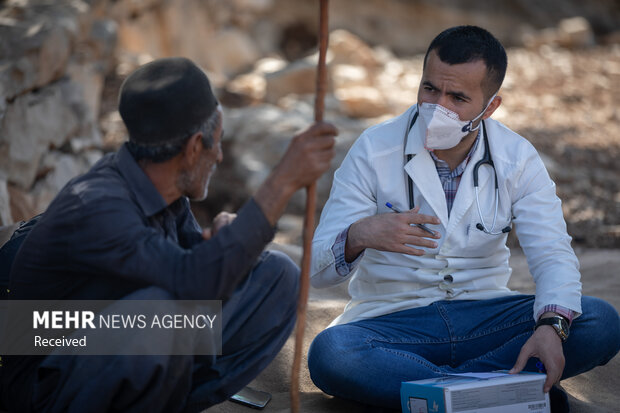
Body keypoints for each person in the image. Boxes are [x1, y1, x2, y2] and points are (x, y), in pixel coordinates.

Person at [308, 25, 619, 411]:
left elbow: (552, 253)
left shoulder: (517, 158)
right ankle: (495, 392)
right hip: (395, 322)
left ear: (490, 108)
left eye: (457, 97)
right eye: (429, 90)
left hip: (487, 318)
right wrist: (359, 234)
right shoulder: (373, 149)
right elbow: (317, 272)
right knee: (332, 354)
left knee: (601, 322)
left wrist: (550, 327)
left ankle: (446, 393)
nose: (438, 107)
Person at [0, 57, 338, 412]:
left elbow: (191, 269)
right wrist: (282, 183)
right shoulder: (96, 206)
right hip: (48, 376)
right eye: (217, 143)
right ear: (194, 148)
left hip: (119, 340)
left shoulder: (163, 191)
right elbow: (190, 283)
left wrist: (225, 238)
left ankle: (170, 401)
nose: (220, 155)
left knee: (277, 276)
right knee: (159, 314)